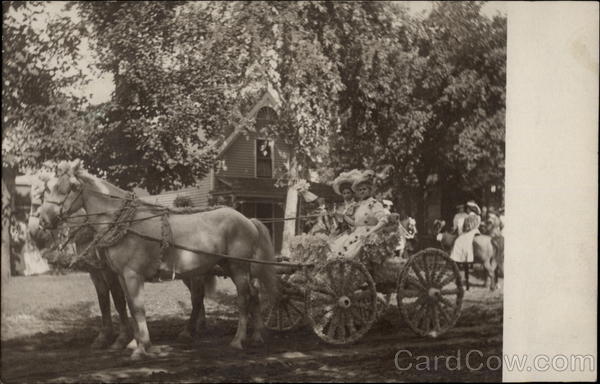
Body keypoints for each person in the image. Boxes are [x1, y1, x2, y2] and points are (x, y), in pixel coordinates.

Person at [330, 170, 390, 260]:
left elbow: (383, 221)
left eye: (364, 189)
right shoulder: (359, 205)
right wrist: (343, 216)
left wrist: (370, 233)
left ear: (369, 190)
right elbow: (355, 223)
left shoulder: (374, 203)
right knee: (339, 251)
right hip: (357, 234)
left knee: (351, 256)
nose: (362, 191)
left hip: (370, 235)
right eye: (360, 190)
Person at [331, 169, 360, 236]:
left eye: (348, 193)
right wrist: (334, 216)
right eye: (344, 193)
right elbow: (338, 224)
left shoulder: (356, 205)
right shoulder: (340, 206)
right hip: (342, 233)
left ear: (352, 193)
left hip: (354, 232)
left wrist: (344, 216)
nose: (346, 195)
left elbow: (356, 223)